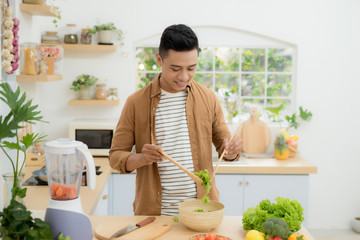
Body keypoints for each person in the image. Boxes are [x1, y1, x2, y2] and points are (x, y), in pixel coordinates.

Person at [109, 24, 242, 216]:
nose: (184, 76)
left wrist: (232, 151)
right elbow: (115, 157)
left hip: (202, 212)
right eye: (175, 68)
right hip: (154, 215)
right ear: (159, 60)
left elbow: (225, 149)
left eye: (191, 68)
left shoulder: (208, 98)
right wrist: (141, 158)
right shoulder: (136, 102)